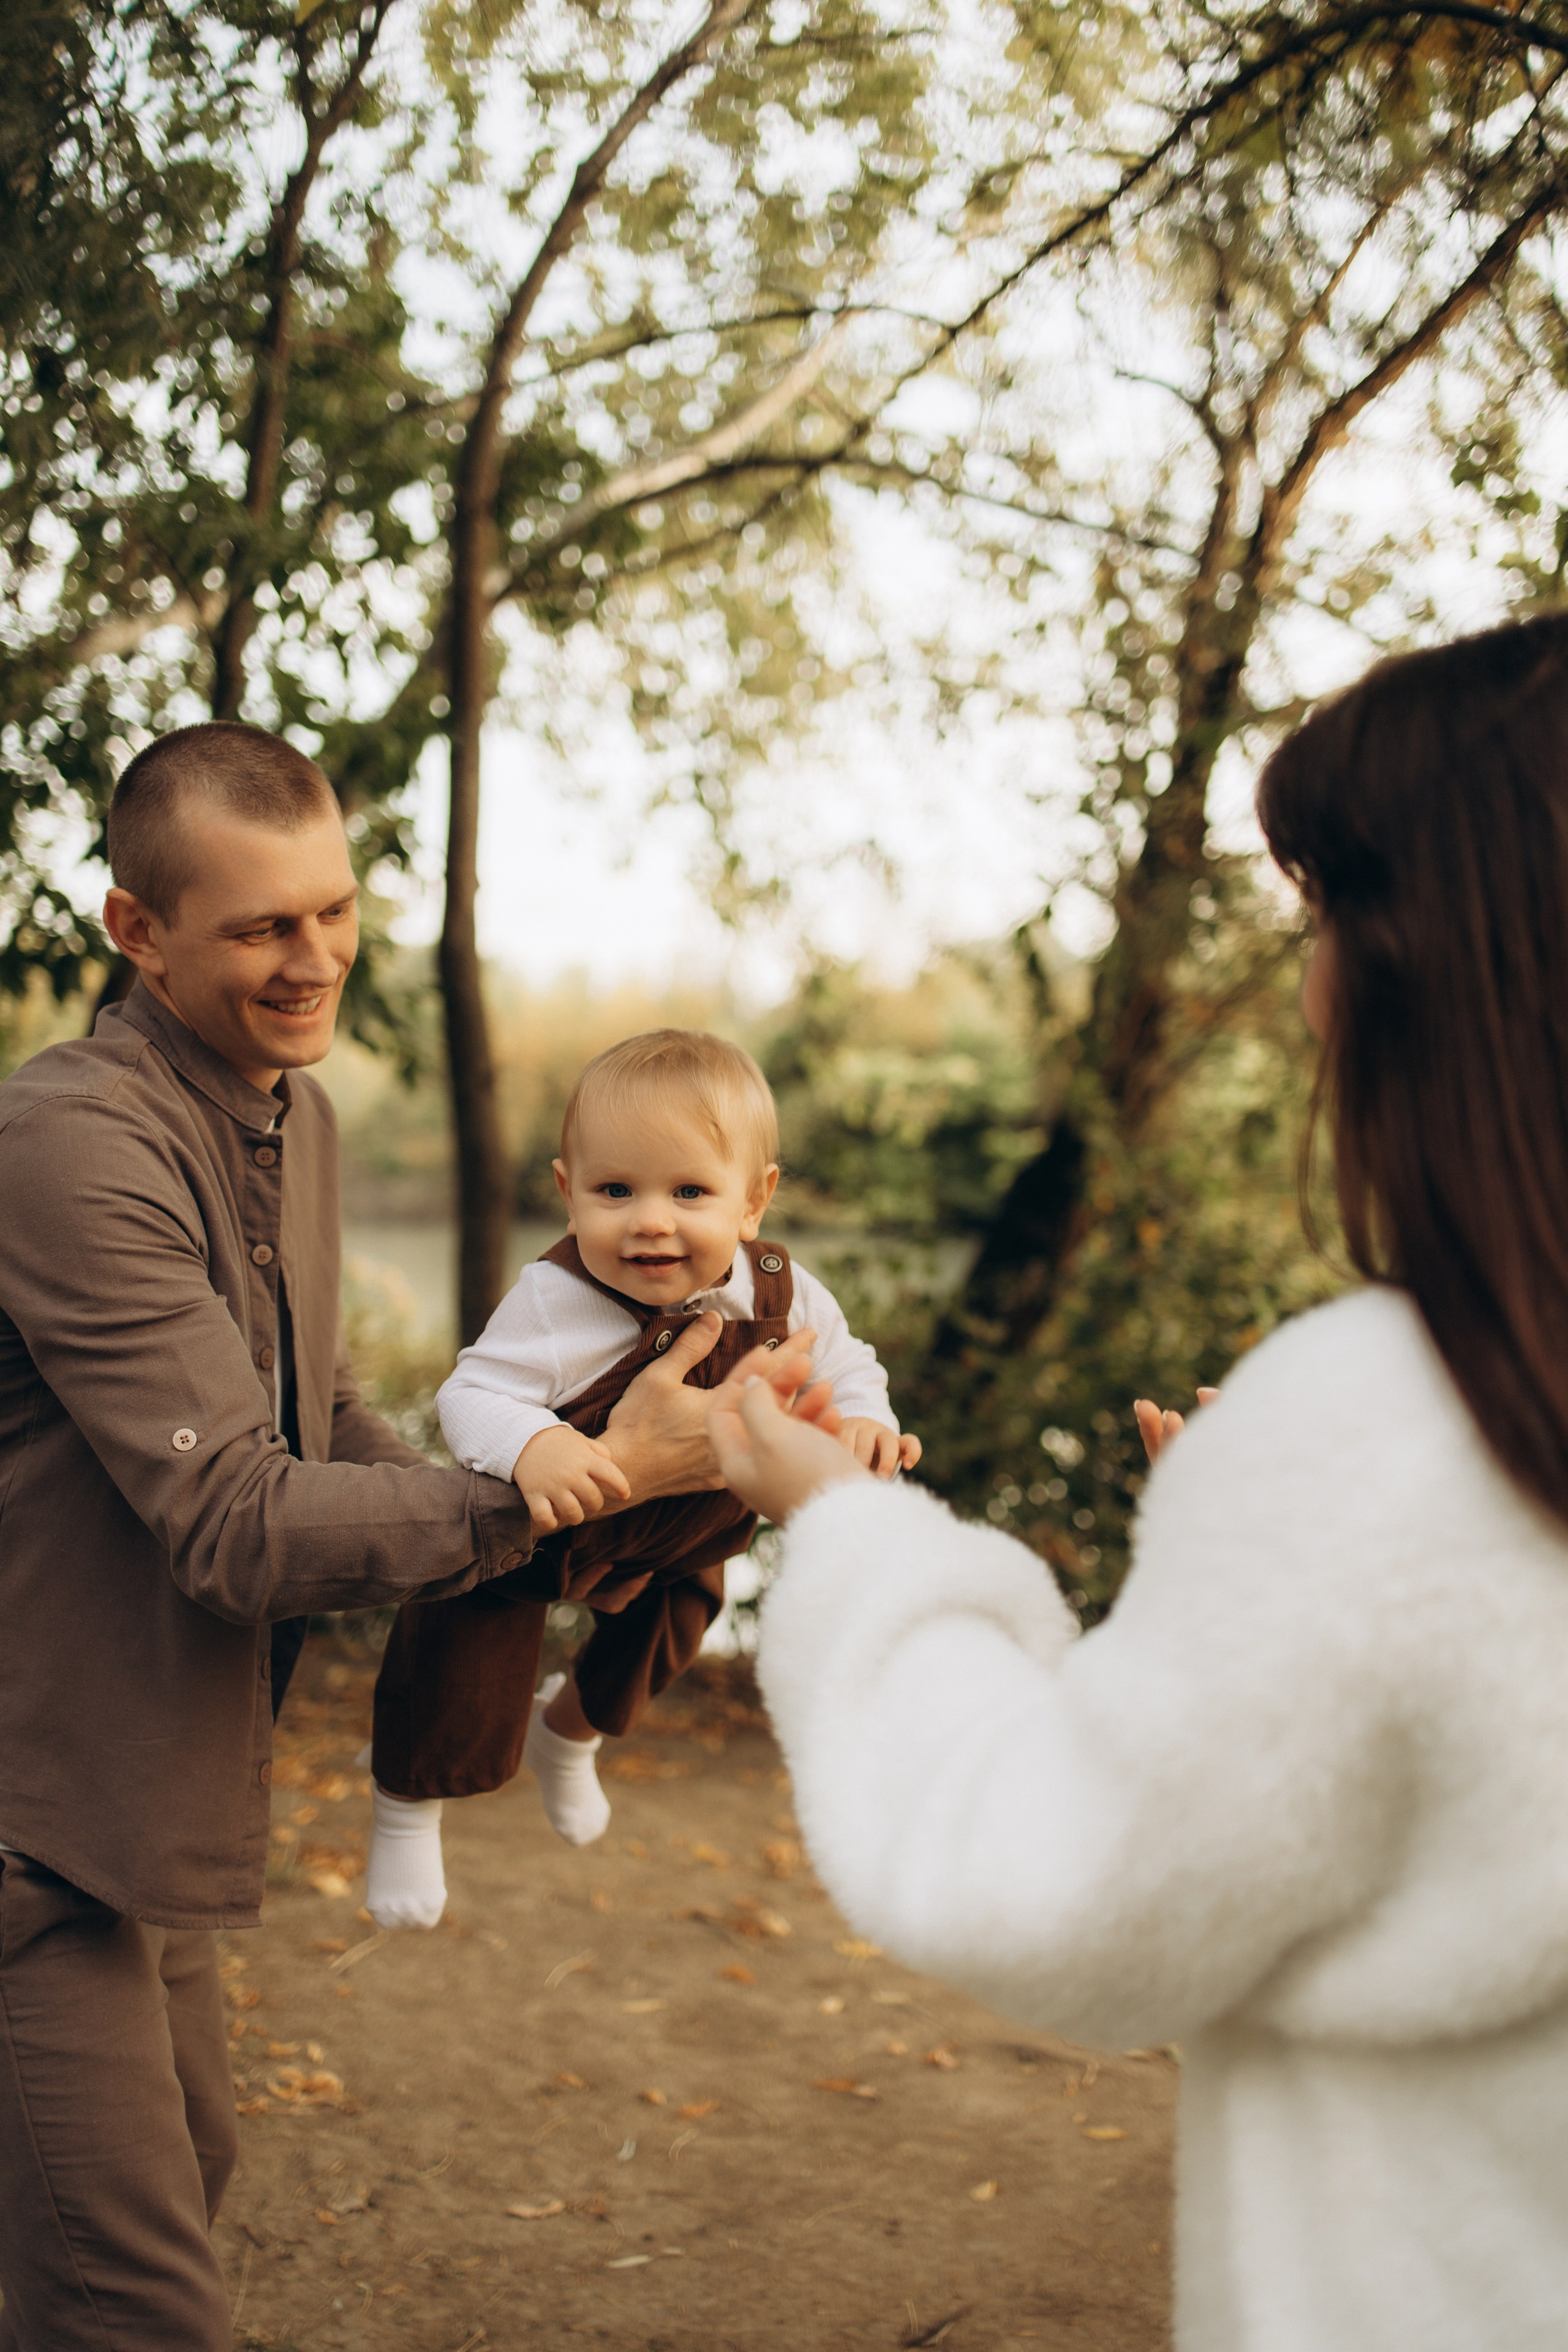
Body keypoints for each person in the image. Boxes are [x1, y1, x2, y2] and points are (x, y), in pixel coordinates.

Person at [706, 611, 1568, 2351]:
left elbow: (1057, 1883)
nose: (1310, 981)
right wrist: (1234, 1577)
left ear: (1441, 967)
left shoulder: (1392, 1426)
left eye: (1325, 913)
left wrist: (844, 1522)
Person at [0, 722, 756, 2352]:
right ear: (136, 932)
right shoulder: (70, 1144)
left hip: (145, 1790)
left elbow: (325, 1421)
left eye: (334, 910)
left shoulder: (303, 1118)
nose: (316, 958)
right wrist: (590, 1479)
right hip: (25, 1817)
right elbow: (234, 1520)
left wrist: (552, 1509)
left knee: (190, 2159)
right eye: (263, 925)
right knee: (132, 2296)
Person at [364, 1028, 920, 1928]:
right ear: (566, 1192)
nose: (650, 1220)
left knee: (676, 1624)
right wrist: (528, 1445)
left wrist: (866, 1423)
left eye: (690, 1191)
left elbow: (848, 1365)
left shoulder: (782, 1290)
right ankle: (406, 1806)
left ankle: (568, 1736)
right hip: (548, 1526)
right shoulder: (556, 1301)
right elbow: (471, 1391)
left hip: (687, 1526)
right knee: (461, 1654)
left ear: (755, 1200)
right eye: (615, 1191)